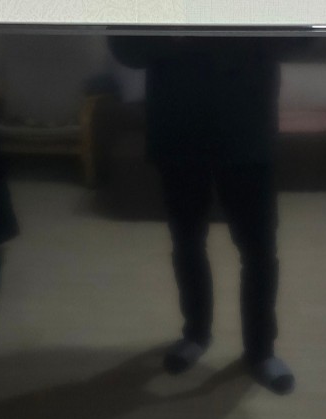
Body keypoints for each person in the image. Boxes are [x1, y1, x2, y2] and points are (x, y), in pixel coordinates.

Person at [109, 36, 295, 394]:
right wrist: (183, 32)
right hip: (178, 130)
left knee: (259, 251)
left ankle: (261, 351)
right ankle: (195, 333)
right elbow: (125, 48)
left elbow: (301, 39)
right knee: (187, 242)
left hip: (247, 128)